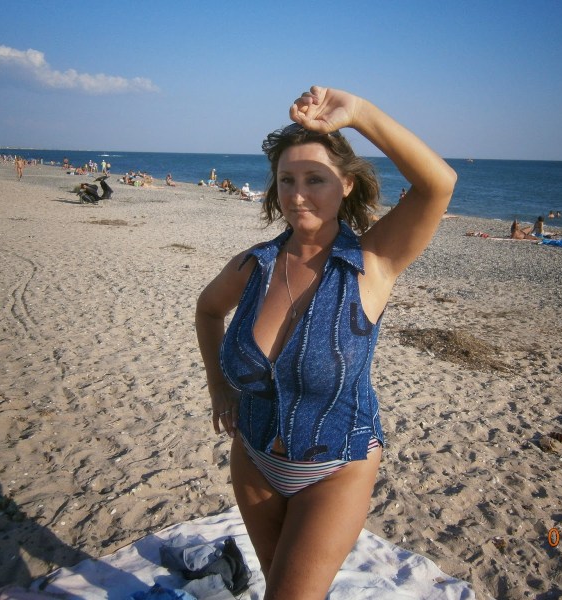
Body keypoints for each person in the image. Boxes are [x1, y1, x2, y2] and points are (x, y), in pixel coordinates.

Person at [195, 86, 456, 598]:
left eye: (315, 179)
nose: (298, 195)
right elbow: (207, 310)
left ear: (347, 184)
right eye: (287, 180)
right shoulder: (253, 266)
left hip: (336, 469)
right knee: (276, 582)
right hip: (253, 460)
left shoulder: (373, 263)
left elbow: (438, 184)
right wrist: (217, 386)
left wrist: (357, 113)